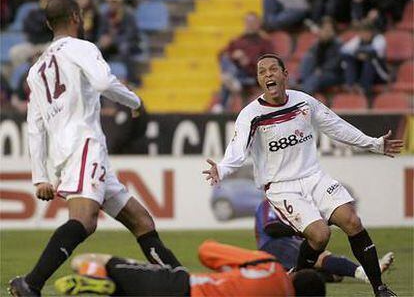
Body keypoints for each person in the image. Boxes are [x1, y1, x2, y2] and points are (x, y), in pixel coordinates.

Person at [8, 0, 180, 296]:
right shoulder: (82, 48)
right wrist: (134, 101)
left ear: (49, 24)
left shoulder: (35, 71)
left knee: (141, 220)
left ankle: (182, 283)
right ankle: (31, 284)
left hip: (65, 153)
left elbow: (35, 127)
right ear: (77, 16)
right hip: (85, 142)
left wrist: (41, 175)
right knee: (85, 220)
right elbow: (102, 82)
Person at [202, 53, 403, 296]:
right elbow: (237, 148)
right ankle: (294, 278)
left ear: (285, 75)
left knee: (352, 221)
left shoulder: (303, 102)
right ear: (258, 80)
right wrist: (222, 169)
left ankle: (379, 288)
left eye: (272, 70)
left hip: (313, 176)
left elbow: (335, 126)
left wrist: (373, 144)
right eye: (262, 72)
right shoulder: (251, 114)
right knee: (320, 236)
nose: (268, 75)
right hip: (281, 186)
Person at [53, 241, 320, 296]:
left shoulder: (270, 266)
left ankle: (95, 278)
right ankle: (107, 290)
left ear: (293, 274)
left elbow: (206, 251)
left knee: (92, 259)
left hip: (182, 287)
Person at [255, 199, 394, 282]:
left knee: (315, 270)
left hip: (285, 247)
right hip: (274, 245)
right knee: (320, 257)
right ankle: (364, 273)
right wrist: (301, 230)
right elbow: (270, 229)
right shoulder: (270, 203)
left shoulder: (295, 203)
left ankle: (333, 274)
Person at [216, 12, 273, 111]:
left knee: (227, 82)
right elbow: (221, 55)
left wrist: (248, 62)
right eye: (248, 22)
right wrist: (234, 56)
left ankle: (221, 106)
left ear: (258, 24)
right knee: (226, 58)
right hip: (236, 72)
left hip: (252, 76)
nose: (250, 25)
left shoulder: (264, 43)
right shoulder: (238, 40)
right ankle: (233, 80)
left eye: (253, 22)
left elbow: (269, 64)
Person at [98, 0, 141, 84]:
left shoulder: (128, 14)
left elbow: (131, 34)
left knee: (124, 48)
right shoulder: (105, 15)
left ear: (120, 3)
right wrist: (103, 38)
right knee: (98, 49)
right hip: (112, 44)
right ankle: (101, 78)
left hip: (129, 43)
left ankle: (133, 79)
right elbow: (102, 31)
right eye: (110, 2)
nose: (112, 4)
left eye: (114, 2)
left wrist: (112, 40)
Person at [341, 22, 389, 101]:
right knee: (349, 59)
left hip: (380, 75)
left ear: (372, 32)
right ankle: (351, 86)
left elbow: (374, 50)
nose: (364, 35)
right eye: (362, 32)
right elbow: (343, 51)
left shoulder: (379, 38)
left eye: (367, 32)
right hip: (363, 74)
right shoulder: (358, 39)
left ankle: (365, 91)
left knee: (369, 60)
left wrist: (359, 51)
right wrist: (357, 55)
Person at [9, 0, 55, 71]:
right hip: (33, 45)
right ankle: (22, 77)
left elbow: (54, 30)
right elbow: (29, 29)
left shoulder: (58, 13)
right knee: (15, 52)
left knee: (49, 53)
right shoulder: (33, 12)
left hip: (49, 45)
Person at [298, 17, 343, 95]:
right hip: (316, 72)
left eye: (329, 30)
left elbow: (336, 63)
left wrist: (321, 70)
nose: (326, 32)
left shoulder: (338, 45)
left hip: (333, 74)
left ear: (334, 32)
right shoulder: (317, 44)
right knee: (307, 58)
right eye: (324, 30)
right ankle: (301, 84)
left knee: (316, 77)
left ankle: (303, 95)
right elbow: (311, 60)